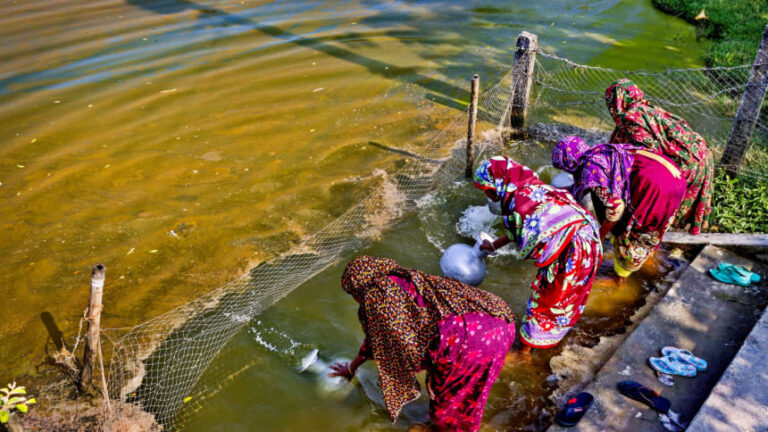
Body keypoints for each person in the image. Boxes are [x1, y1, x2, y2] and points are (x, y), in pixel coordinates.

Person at [329, 255, 516, 432]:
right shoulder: (403, 276)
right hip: (498, 319)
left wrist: (351, 368)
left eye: (352, 294)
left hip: (469, 341)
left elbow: (390, 345)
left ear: (359, 290)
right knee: (472, 394)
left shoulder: (378, 300)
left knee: (451, 407)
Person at [473, 157, 602, 350]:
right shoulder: (531, 189)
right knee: (569, 294)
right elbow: (516, 230)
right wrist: (492, 246)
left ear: (497, 186)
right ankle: (552, 336)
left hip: (571, 249)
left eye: (487, 191)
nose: (489, 196)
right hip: (589, 240)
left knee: (546, 298)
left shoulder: (518, 203)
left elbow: (526, 239)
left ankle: (525, 350)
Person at [552, 136, 687, 280]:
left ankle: (619, 279)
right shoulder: (598, 152)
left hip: (656, 188)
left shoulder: (592, 171)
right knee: (653, 228)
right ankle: (650, 255)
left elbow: (615, 207)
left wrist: (601, 235)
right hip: (674, 179)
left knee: (632, 236)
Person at [606, 78, 714, 235]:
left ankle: (661, 238)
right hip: (700, 155)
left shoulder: (632, 121)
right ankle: (674, 237)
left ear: (615, 102)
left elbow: (651, 163)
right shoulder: (644, 109)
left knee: (668, 208)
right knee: (678, 210)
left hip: (688, 163)